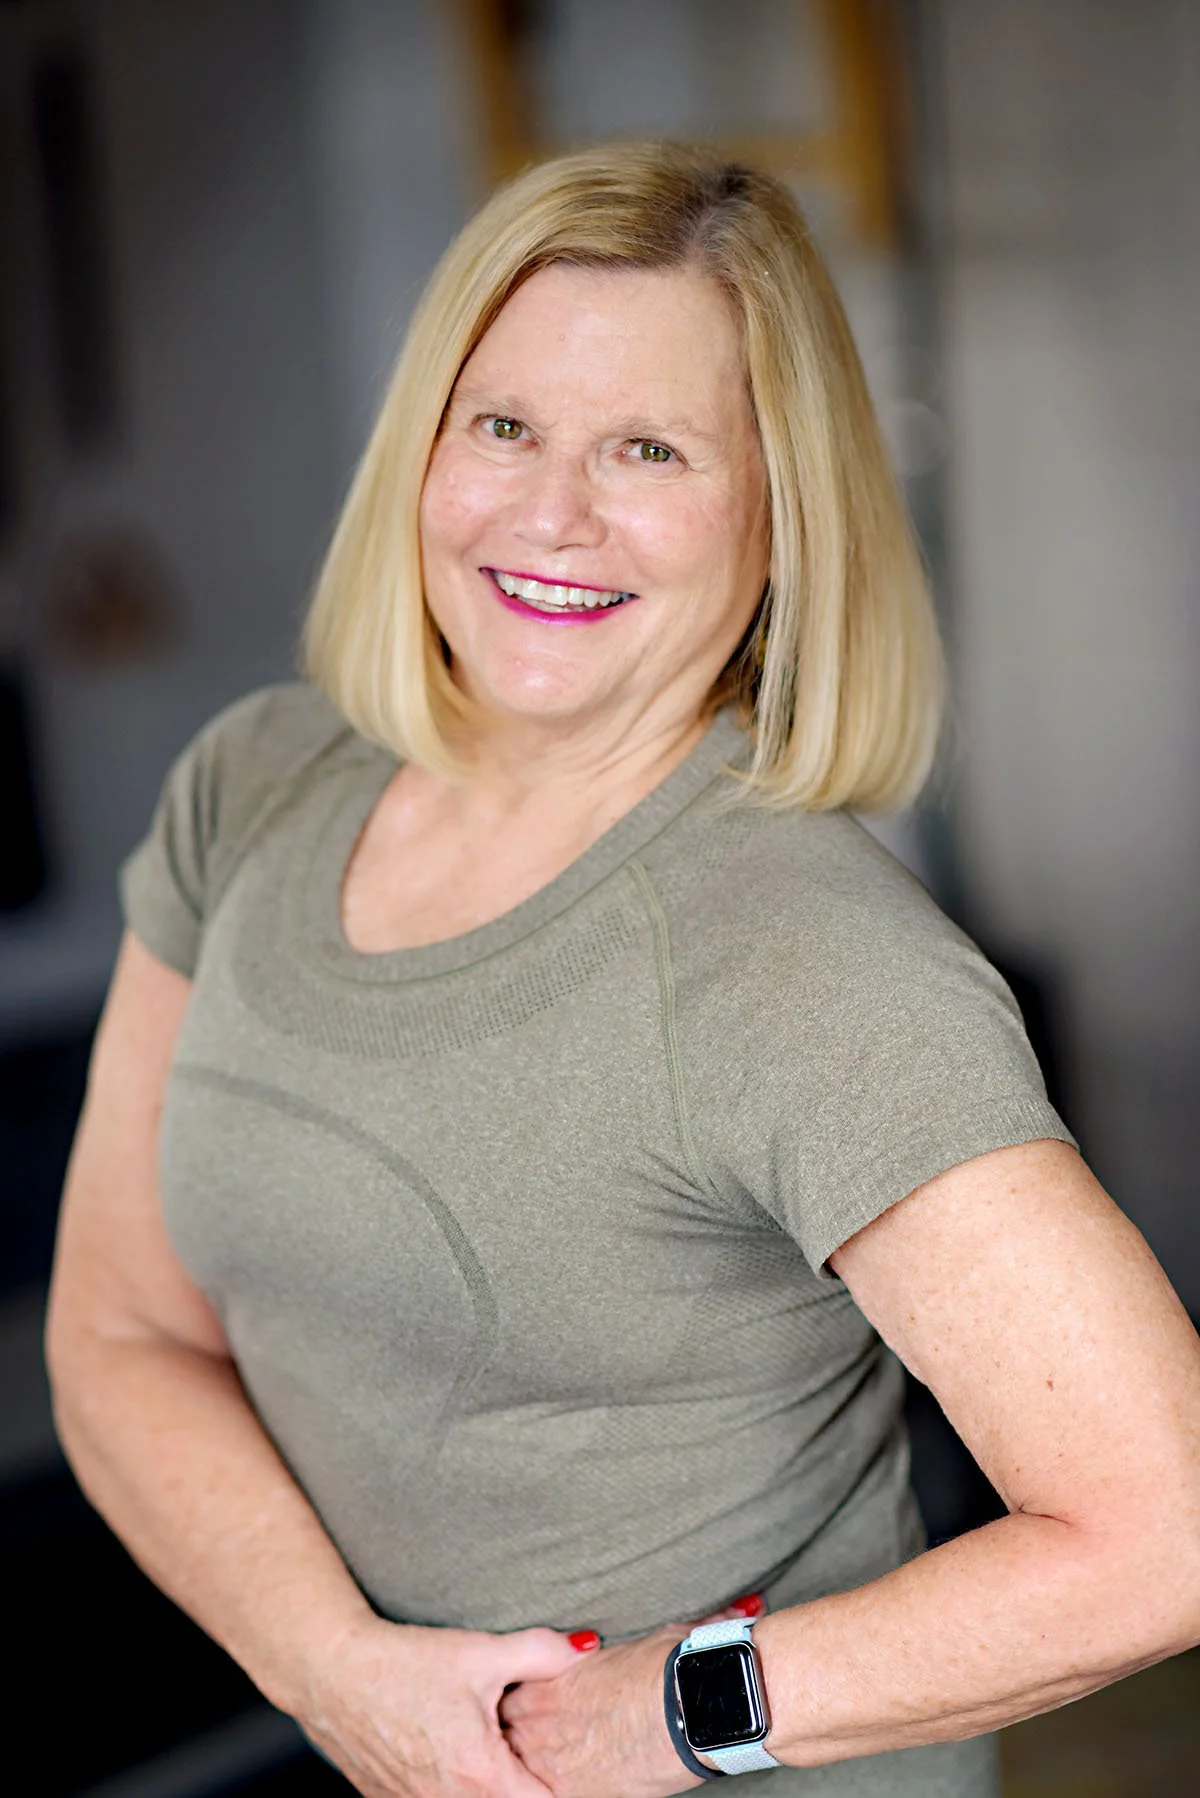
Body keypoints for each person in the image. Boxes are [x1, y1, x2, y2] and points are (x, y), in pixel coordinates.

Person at [46, 141, 1200, 1798]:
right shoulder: (259, 784)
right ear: (424, 446)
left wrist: (658, 1712)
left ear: (781, 519)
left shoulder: (810, 959)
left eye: (648, 447)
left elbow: (1160, 1530)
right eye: (503, 424)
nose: (548, 513)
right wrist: (340, 1672)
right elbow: (120, 1328)